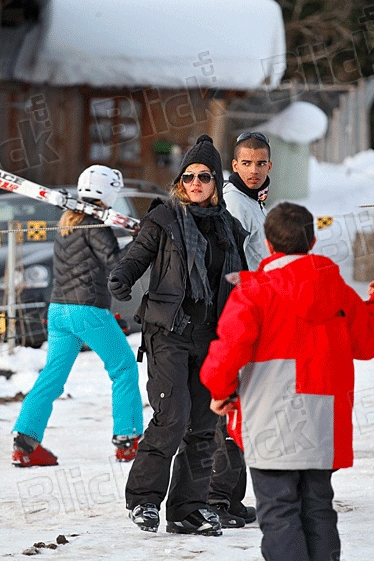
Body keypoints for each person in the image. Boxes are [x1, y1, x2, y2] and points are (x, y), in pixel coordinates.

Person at [200, 202, 374, 561]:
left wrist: (220, 393)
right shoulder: (336, 291)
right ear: (313, 240)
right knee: (318, 509)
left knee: (278, 513)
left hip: (268, 417)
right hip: (323, 421)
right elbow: (370, 343)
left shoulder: (253, 291)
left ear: (269, 245)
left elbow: (227, 353)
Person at [108, 134, 248, 536]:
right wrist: (121, 278)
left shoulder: (231, 229)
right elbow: (137, 256)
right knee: (172, 418)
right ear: (180, 181)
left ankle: (188, 509)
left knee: (204, 426)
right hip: (168, 332)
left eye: (204, 176)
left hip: (211, 336)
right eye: (188, 177)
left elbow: (242, 281)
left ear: (217, 182)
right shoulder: (163, 219)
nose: (195, 183)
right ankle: (145, 502)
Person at [12, 165, 144, 467]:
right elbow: (118, 265)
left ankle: (25, 443)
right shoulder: (96, 226)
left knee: (52, 378)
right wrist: (140, 241)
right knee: (124, 368)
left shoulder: (67, 223)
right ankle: (128, 439)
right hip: (88, 310)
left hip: (59, 311)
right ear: (107, 191)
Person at [208, 131, 273, 528]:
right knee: (228, 411)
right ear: (234, 166)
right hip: (236, 316)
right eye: (245, 163)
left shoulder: (256, 201)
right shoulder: (233, 203)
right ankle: (217, 497)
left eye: (260, 163)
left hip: (254, 314)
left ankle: (231, 498)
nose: (252, 170)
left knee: (245, 409)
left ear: (270, 166)